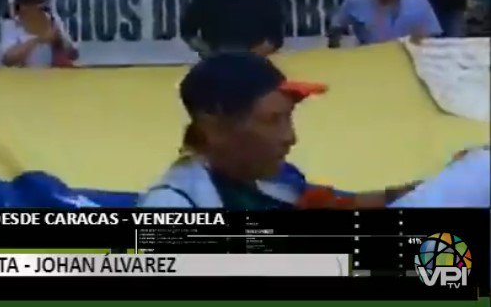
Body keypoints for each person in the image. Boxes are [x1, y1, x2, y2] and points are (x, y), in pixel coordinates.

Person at [139, 52, 417, 209]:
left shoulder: (277, 179)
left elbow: (341, 206)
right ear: (214, 128)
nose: (290, 137)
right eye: (272, 120)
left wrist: (439, 187)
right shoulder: (175, 205)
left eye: (288, 118)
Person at [0, 0, 78, 68]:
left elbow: (74, 55)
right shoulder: (12, 24)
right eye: (27, 3)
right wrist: (38, 40)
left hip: (52, 77)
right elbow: (8, 60)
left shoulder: (54, 20)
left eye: (38, 3)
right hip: (21, 78)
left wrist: (60, 40)